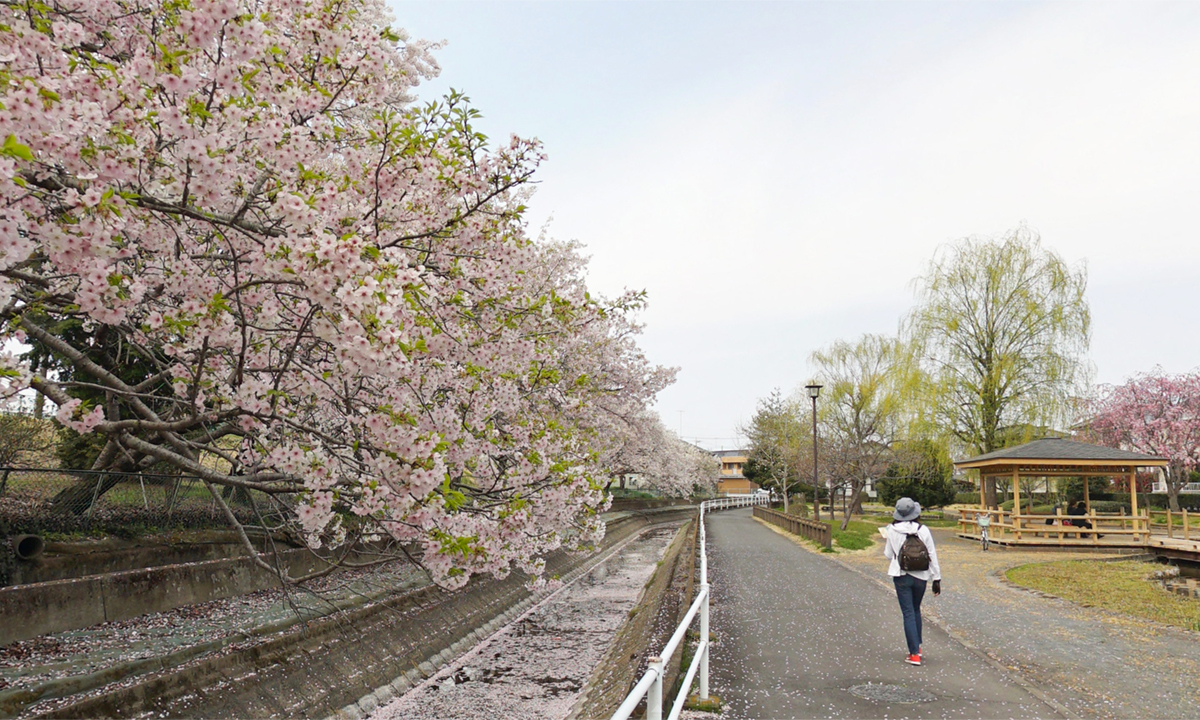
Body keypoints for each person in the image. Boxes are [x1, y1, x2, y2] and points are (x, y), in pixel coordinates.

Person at [884, 497, 941, 666]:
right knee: (916, 610)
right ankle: (918, 646)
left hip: (901, 575)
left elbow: (887, 554)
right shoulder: (923, 530)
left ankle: (914, 653)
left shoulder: (892, 530)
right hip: (921, 576)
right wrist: (936, 578)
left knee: (908, 612)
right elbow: (932, 555)